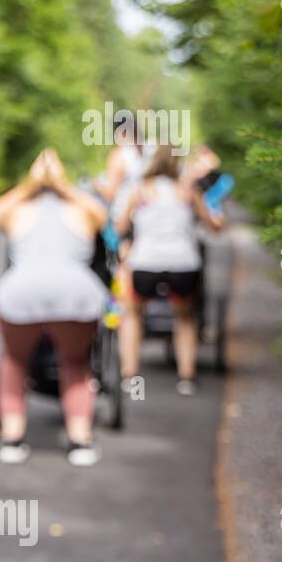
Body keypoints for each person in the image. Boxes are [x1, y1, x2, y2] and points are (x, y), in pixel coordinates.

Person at [0, 149, 110, 467]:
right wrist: (64, 186)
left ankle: (12, 437)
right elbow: (103, 218)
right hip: (76, 293)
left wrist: (31, 184)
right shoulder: (79, 208)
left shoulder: (20, 208)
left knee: (14, 360)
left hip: (20, 292)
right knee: (75, 363)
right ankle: (80, 439)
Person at [116, 142, 224, 396]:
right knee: (185, 317)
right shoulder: (188, 190)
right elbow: (213, 225)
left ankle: (129, 375)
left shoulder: (140, 190)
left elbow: (120, 227)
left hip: (146, 264)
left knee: (132, 313)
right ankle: (186, 377)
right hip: (183, 264)